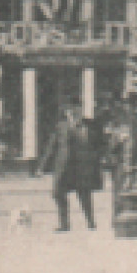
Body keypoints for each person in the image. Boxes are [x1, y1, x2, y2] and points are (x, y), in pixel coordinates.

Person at [36, 99, 102, 231]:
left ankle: (90, 222)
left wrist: (98, 161)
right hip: (64, 167)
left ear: (81, 110)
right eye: (70, 110)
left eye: (77, 109)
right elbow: (51, 147)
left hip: (82, 167)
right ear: (66, 112)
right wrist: (42, 167)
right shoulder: (61, 126)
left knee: (85, 195)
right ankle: (64, 224)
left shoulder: (90, 125)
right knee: (58, 194)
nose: (74, 112)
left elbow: (99, 144)